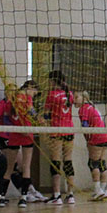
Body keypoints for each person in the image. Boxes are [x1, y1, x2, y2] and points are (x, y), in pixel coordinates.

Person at [6, 80, 45, 207]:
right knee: (26, 167)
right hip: (26, 132)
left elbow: (8, 114)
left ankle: (1, 197)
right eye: (34, 92)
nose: (33, 95)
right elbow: (31, 110)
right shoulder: (26, 98)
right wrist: (39, 119)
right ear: (30, 87)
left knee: (9, 168)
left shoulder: (12, 98)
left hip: (14, 133)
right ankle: (23, 198)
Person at [42, 70, 76, 205]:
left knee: (55, 162)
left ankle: (56, 195)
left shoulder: (51, 95)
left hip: (56, 130)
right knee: (68, 161)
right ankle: (70, 194)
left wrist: (41, 120)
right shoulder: (70, 94)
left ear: (52, 81)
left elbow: (46, 114)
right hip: (69, 130)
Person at [77, 91, 107, 201]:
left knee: (93, 164)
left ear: (84, 98)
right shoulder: (93, 107)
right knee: (102, 163)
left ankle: (98, 190)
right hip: (106, 137)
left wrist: (89, 141)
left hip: (96, 137)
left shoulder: (83, 109)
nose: (74, 100)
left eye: (76, 97)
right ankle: (104, 190)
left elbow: (85, 125)